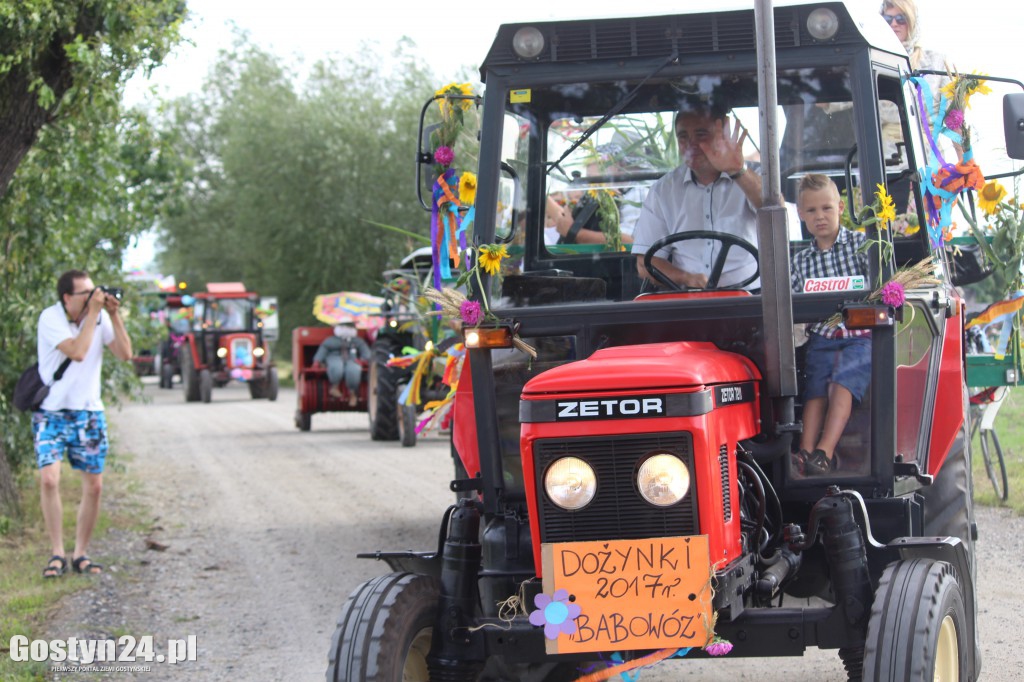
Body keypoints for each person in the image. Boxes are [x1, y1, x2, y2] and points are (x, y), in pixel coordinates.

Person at [35, 270, 132, 578]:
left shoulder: (99, 318)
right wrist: (94, 314)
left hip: (88, 413)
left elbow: (125, 354)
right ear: (67, 298)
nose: (94, 297)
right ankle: (56, 553)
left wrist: (114, 317)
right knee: (49, 479)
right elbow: (77, 352)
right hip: (51, 412)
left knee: (95, 486)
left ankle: (81, 553)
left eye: (95, 291)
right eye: (86, 293)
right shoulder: (51, 318)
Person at [631, 102, 763, 289]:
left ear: (723, 135)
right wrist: (686, 278)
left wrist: (737, 170)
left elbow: (774, 209)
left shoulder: (753, 176)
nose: (691, 144)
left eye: (701, 135)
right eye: (683, 137)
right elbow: (645, 264)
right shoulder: (663, 190)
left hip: (752, 298)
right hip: (689, 300)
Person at [789, 175, 870, 476]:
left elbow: (875, 287)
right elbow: (795, 303)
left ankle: (824, 451)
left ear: (840, 207)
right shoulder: (801, 261)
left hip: (859, 335)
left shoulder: (861, 245)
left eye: (826, 208)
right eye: (811, 211)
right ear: (800, 214)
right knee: (815, 390)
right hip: (822, 335)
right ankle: (805, 451)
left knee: (841, 384)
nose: (819, 216)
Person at [312, 323, 371, 407]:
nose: (346, 329)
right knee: (336, 367)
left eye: (349, 327)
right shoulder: (330, 340)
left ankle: (353, 394)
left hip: (352, 359)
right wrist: (317, 361)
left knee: (354, 369)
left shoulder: (358, 341)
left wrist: (363, 360)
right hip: (334, 357)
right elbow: (322, 351)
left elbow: (366, 353)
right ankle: (334, 387)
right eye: (343, 327)